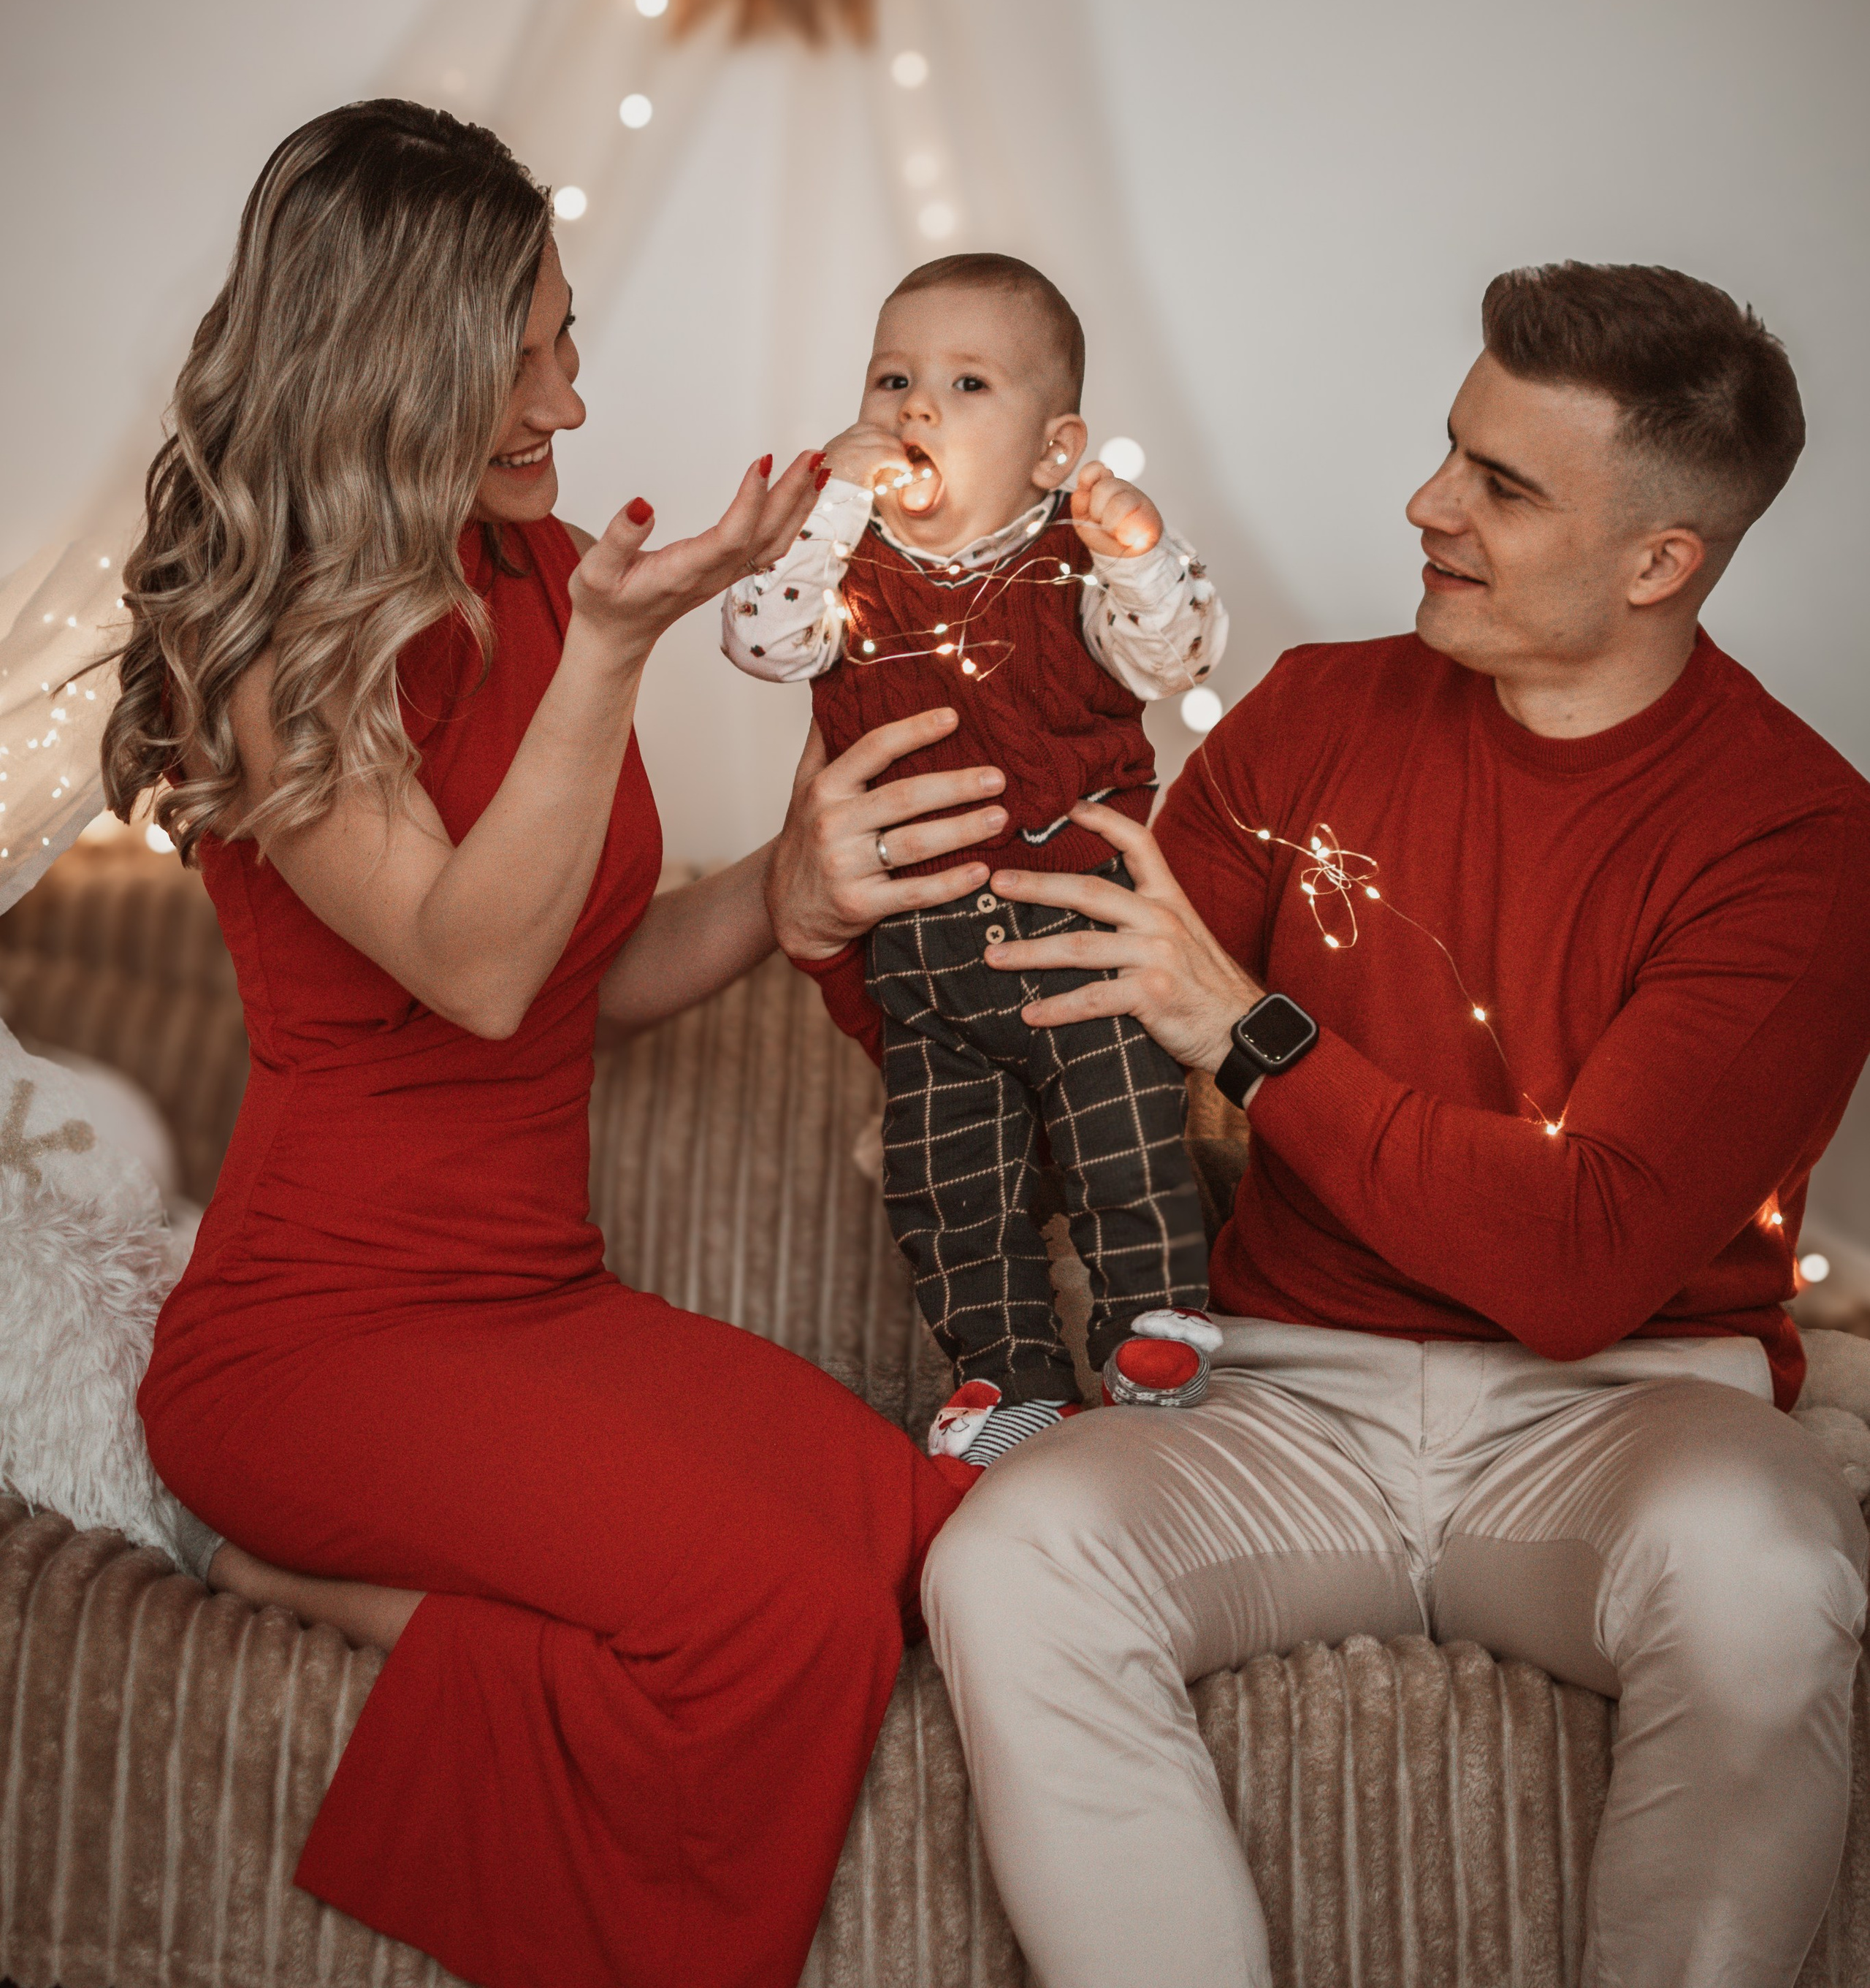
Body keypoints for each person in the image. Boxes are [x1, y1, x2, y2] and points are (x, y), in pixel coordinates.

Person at [771, 261, 1870, 1988]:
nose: (1423, 505)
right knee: (1010, 1560)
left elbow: (1576, 1261)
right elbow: (1057, 1023)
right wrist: (834, 922)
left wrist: (1259, 1040)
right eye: (1450, 450)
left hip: (1625, 1417)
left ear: (1660, 559)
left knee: (1767, 1565)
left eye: (1500, 487)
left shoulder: (1793, 835)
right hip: (1280, 1394)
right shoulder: (1317, 714)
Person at [107, 101, 1003, 1988]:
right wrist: (610, 660)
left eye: (567, 340)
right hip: (316, 1338)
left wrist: (783, 886)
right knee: (776, 1618)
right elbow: (475, 970)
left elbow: (579, 971)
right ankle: (293, 1566)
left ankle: (330, 1589)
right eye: (519, 361)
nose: (567, 406)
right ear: (390, 364)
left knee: (925, 1539)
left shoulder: (542, 569)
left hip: (530, 1296)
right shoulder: (273, 661)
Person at [722, 253, 1229, 1462]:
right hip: (923, 959)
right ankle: (1007, 1375)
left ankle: (1154, 1319)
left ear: (1055, 452)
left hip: (1079, 925)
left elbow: (1178, 655)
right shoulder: (839, 569)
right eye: (892, 376)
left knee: (1126, 1132)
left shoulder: (1078, 559)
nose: (915, 408)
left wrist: (1139, 552)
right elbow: (759, 638)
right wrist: (832, 507)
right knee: (949, 1184)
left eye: (965, 383)